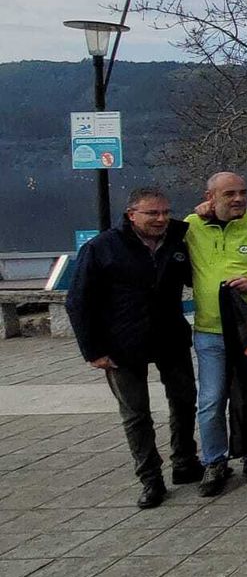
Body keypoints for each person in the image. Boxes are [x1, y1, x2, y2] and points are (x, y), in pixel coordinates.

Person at [66, 187, 198, 508]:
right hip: (121, 343)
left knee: (184, 400)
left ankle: (184, 461)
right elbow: (78, 300)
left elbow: (198, 277)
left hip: (170, 337)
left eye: (166, 212)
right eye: (152, 213)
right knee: (136, 413)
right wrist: (92, 350)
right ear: (131, 215)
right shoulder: (102, 248)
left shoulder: (179, 241)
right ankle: (150, 478)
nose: (161, 219)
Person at [184, 172, 247, 496]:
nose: (239, 199)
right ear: (210, 196)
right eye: (229, 194)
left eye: (242, 192)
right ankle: (215, 461)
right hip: (211, 330)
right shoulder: (192, 227)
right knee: (212, 399)